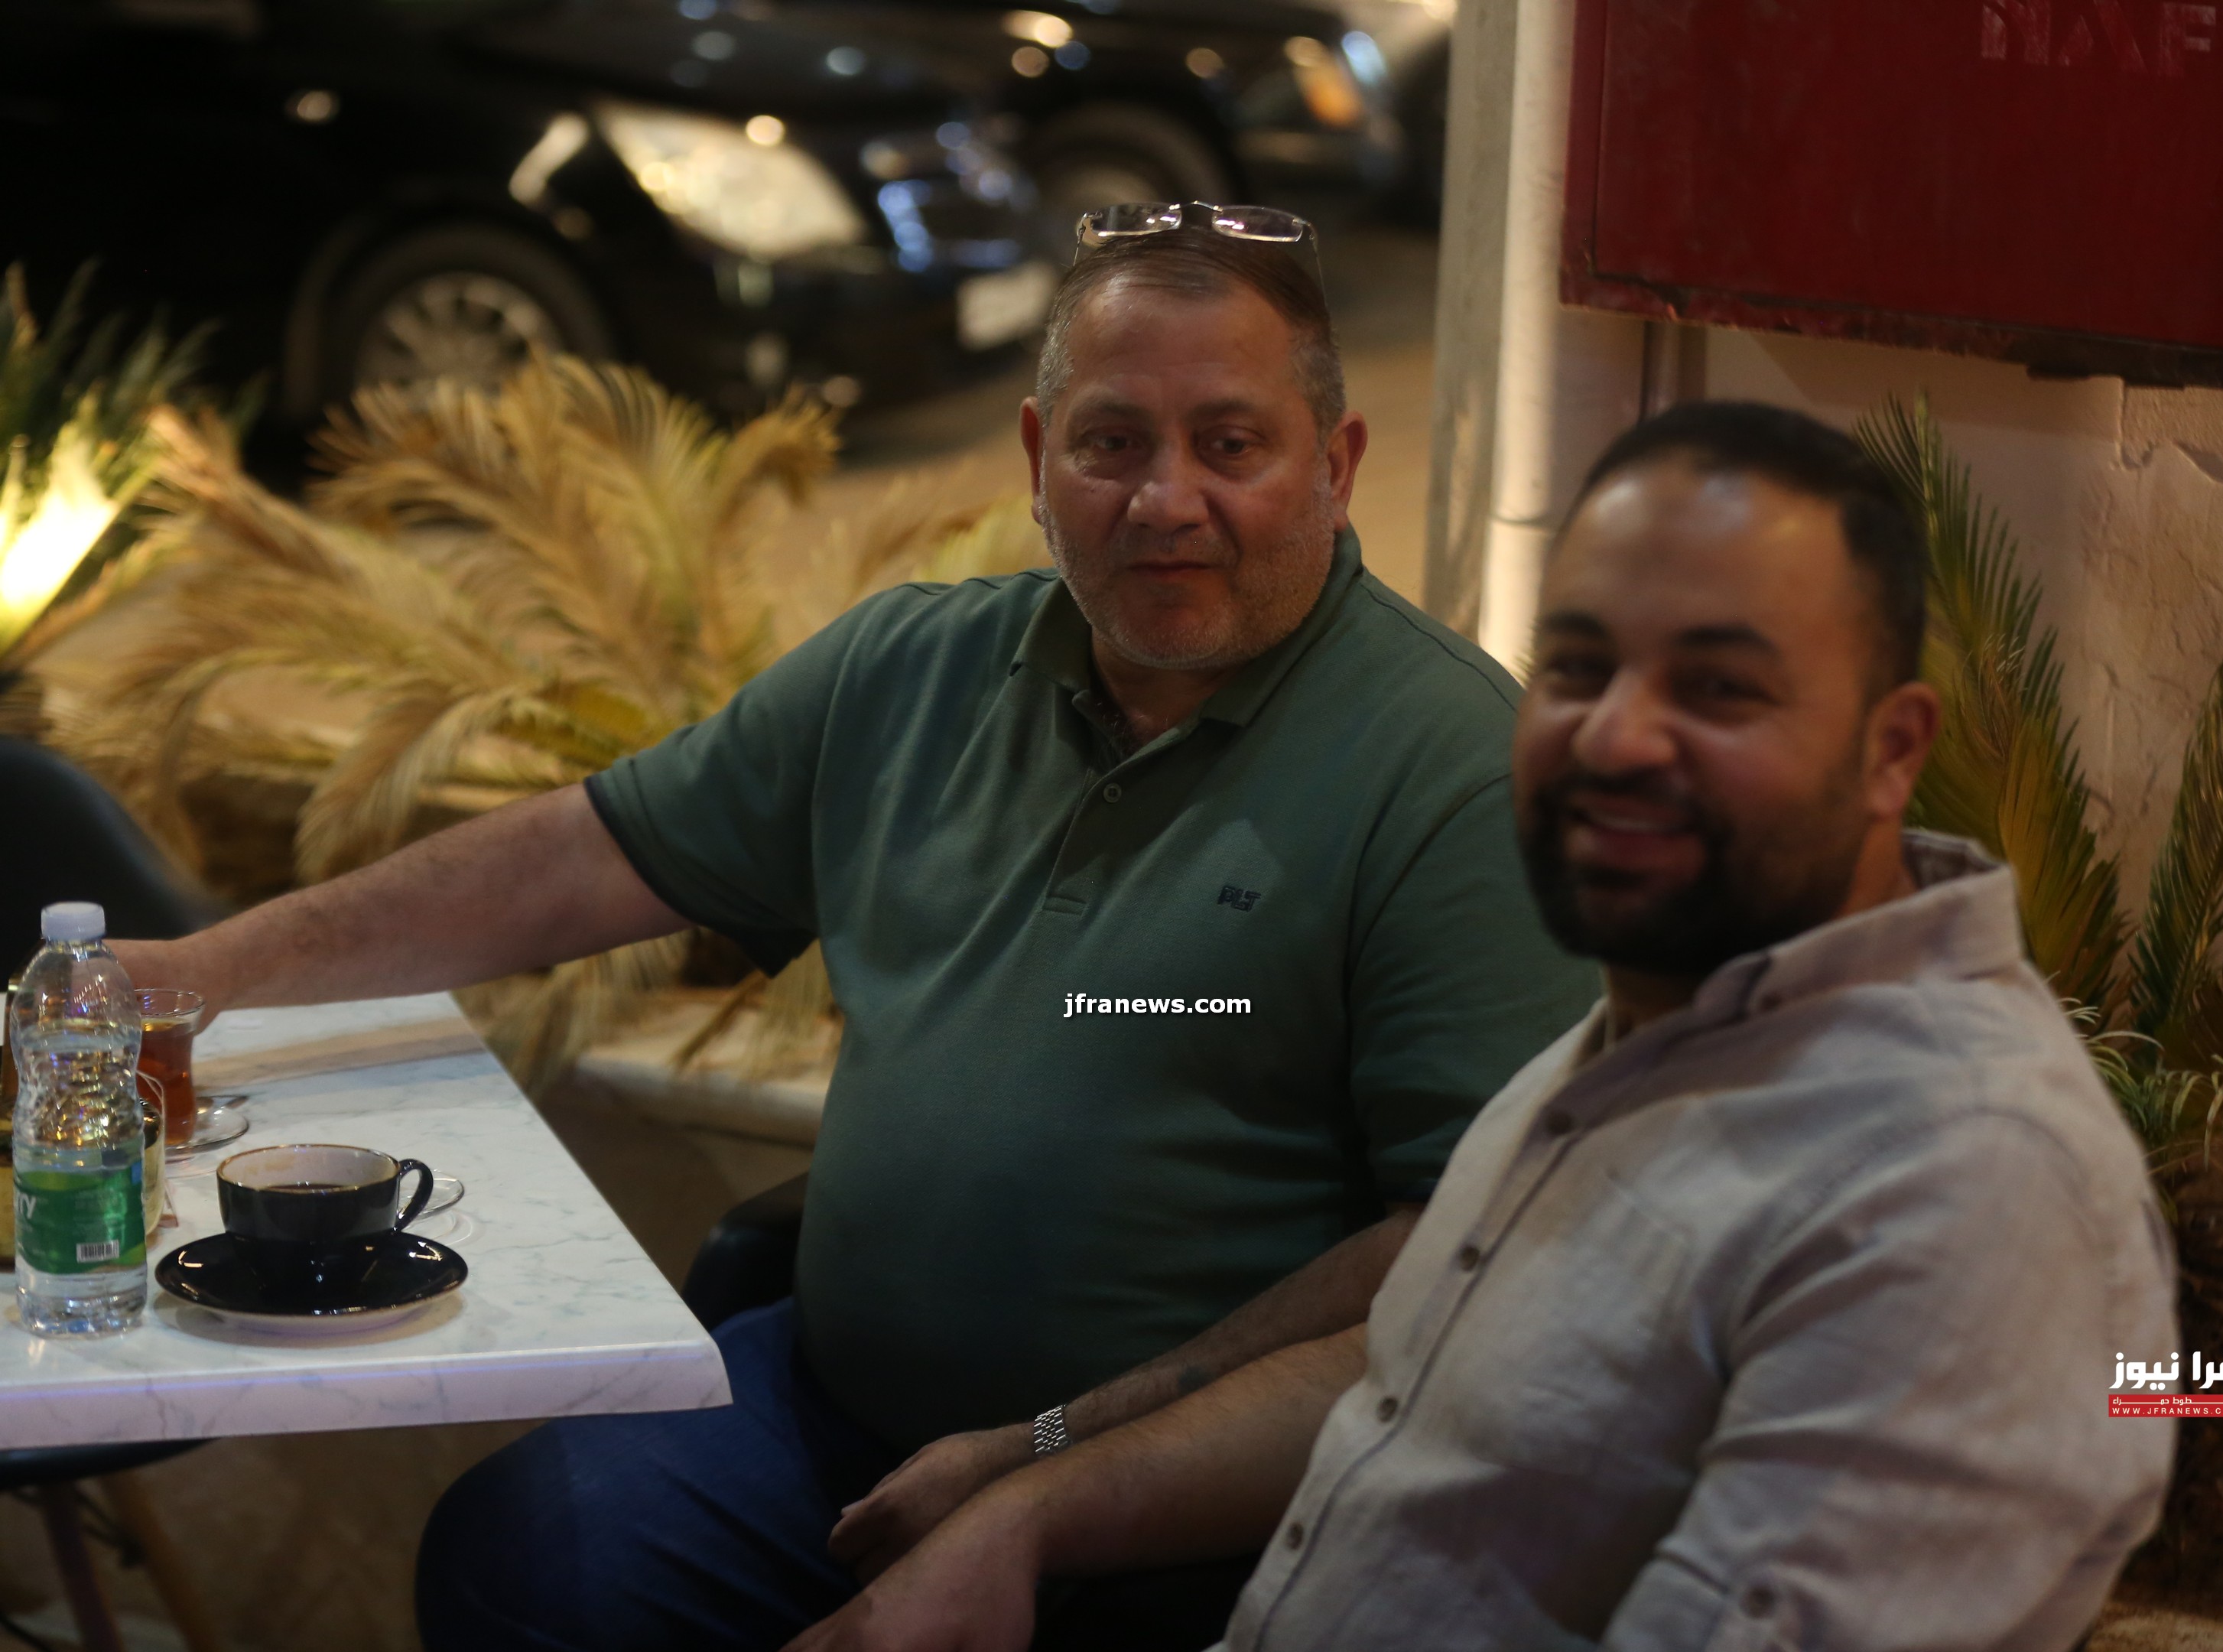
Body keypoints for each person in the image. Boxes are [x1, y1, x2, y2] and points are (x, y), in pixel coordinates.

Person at [116, 204, 1597, 1650]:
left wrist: (1046, 1463)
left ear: (1335, 463)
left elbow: (1456, 1269)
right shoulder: (912, 671)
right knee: (523, 1562)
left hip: (1192, 1505)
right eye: (1111, 443)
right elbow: (577, 858)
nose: (1164, 500)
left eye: (1230, 444)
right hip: (835, 1418)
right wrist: (200, 973)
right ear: (1039, 457)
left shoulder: (1455, 775)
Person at [790, 401, 2181, 1652]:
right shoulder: (1662, 1023)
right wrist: (1033, 1494)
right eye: (1578, 667)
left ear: (1892, 751)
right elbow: (1420, 1391)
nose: (1616, 737)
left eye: (1720, 688)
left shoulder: (1961, 1185)